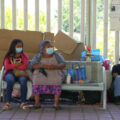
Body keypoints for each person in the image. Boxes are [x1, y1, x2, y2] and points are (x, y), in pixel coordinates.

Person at [30, 40, 65, 110]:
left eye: (51, 47)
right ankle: (37, 103)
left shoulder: (57, 55)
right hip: (41, 74)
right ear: (43, 49)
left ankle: (56, 104)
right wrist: (45, 66)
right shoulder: (38, 56)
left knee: (57, 80)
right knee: (36, 80)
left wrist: (55, 67)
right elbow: (33, 65)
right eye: (48, 47)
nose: (51, 48)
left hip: (54, 73)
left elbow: (63, 64)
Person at [2, 39, 29, 110]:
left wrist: (13, 65)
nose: (20, 48)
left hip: (21, 73)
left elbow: (24, 66)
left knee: (23, 81)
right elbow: (7, 66)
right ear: (13, 46)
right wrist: (17, 64)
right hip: (10, 72)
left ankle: (23, 102)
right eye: (18, 46)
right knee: (10, 80)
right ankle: (8, 103)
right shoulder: (8, 56)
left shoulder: (24, 55)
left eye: (21, 46)